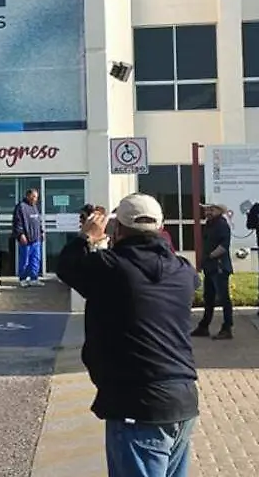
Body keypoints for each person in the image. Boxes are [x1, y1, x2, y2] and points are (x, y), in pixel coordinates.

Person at [56, 193, 199, 477]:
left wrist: (88, 236)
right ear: (160, 227)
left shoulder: (110, 268)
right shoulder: (183, 271)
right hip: (182, 400)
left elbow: (67, 265)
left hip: (137, 404)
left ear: (118, 228)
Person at [191, 204, 234, 340]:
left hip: (219, 266)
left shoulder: (222, 225)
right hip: (210, 267)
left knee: (223, 298)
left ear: (219, 211)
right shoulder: (209, 224)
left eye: (211, 209)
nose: (208, 212)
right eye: (207, 209)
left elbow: (224, 246)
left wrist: (211, 256)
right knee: (208, 298)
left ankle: (227, 328)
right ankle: (204, 326)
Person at [12, 188, 44, 287]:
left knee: (35, 259)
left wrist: (41, 232)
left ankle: (34, 278)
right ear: (28, 196)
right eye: (33, 196)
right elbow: (17, 222)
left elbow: (38, 221)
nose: (35, 199)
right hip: (26, 239)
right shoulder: (21, 207)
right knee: (24, 260)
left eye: (36, 197)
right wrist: (20, 234)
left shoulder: (35, 207)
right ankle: (23, 279)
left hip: (36, 239)